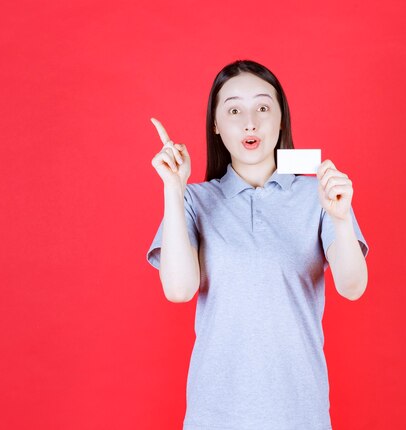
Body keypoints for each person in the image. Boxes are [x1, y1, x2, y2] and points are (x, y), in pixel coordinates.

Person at [147, 59, 369, 430]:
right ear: (215, 125)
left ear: (281, 119)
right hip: (214, 416)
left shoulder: (317, 196)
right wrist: (174, 188)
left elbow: (353, 286)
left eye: (263, 107)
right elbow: (179, 289)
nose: (250, 121)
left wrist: (343, 218)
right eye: (234, 110)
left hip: (300, 415)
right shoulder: (194, 201)